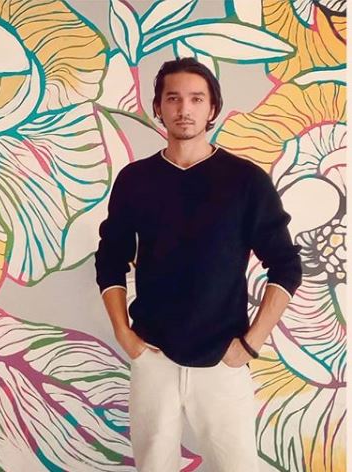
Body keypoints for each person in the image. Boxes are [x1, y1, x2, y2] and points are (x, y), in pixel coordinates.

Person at [94, 57, 302, 471]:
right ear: (158, 107)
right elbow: (110, 258)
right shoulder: (136, 179)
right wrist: (124, 334)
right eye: (173, 98)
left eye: (196, 99)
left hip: (223, 359)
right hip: (153, 357)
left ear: (212, 108)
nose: (184, 109)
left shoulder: (245, 181)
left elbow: (286, 265)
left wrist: (251, 343)